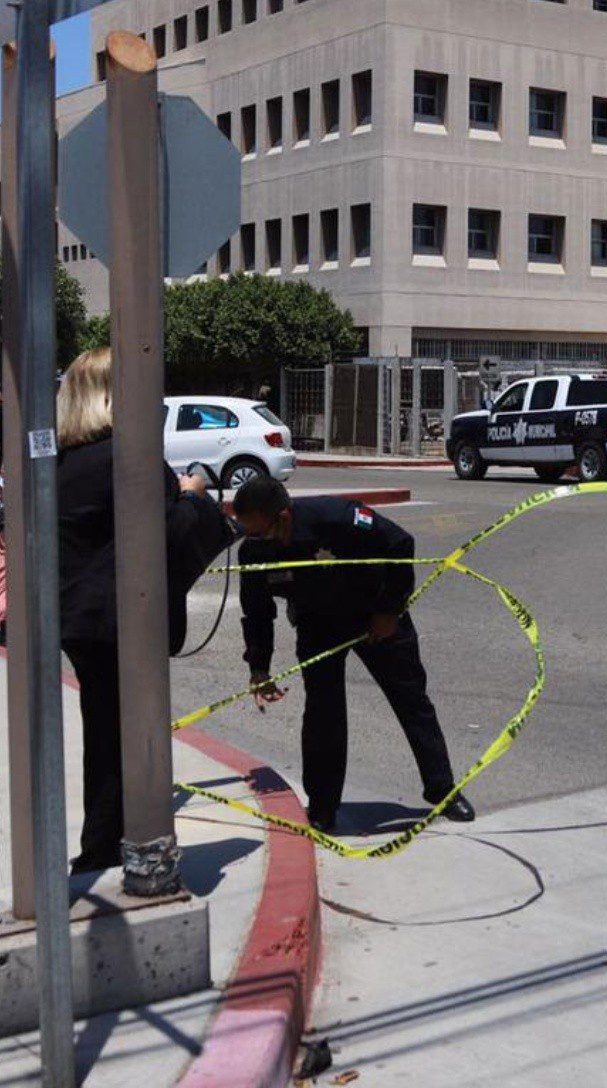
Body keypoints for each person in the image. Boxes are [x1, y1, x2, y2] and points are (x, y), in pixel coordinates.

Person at [233, 478, 473, 832]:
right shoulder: (253, 552)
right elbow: (256, 612)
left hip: (375, 615)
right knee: (322, 714)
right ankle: (323, 807)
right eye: (247, 533)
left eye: (259, 532)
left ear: (282, 517)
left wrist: (389, 611)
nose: (252, 540)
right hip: (318, 625)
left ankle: (442, 789)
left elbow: (400, 544)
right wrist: (259, 667)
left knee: (411, 700)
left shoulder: (338, 517)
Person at [57, 348, 210, 873]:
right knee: (129, 740)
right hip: (123, 622)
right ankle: (121, 849)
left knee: (104, 734)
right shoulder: (129, 457)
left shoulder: (62, 459)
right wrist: (193, 496)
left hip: (78, 620)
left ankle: (100, 844)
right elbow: (166, 541)